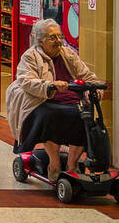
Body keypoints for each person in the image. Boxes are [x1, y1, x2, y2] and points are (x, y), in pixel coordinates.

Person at [6, 18, 98, 181]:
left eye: (59, 37)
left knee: (84, 116)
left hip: (71, 100)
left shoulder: (68, 54)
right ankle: (54, 164)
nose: (58, 41)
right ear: (40, 41)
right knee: (50, 116)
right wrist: (50, 85)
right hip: (44, 100)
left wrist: (95, 88)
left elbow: (87, 75)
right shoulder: (31, 56)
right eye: (52, 38)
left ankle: (72, 164)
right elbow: (26, 80)